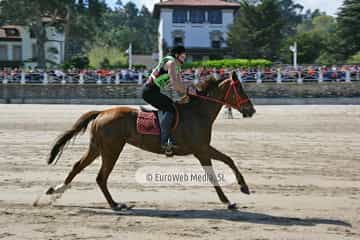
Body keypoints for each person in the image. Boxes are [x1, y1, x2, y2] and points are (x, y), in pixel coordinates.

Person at [142, 46, 192, 156]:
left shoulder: (176, 66)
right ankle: (164, 142)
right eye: (183, 56)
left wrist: (186, 92)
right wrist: (187, 91)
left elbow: (179, 85)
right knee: (170, 109)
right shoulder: (171, 63)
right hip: (149, 91)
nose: (185, 58)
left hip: (155, 91)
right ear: (176, 55)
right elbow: (175, 84)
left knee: (172, 106)